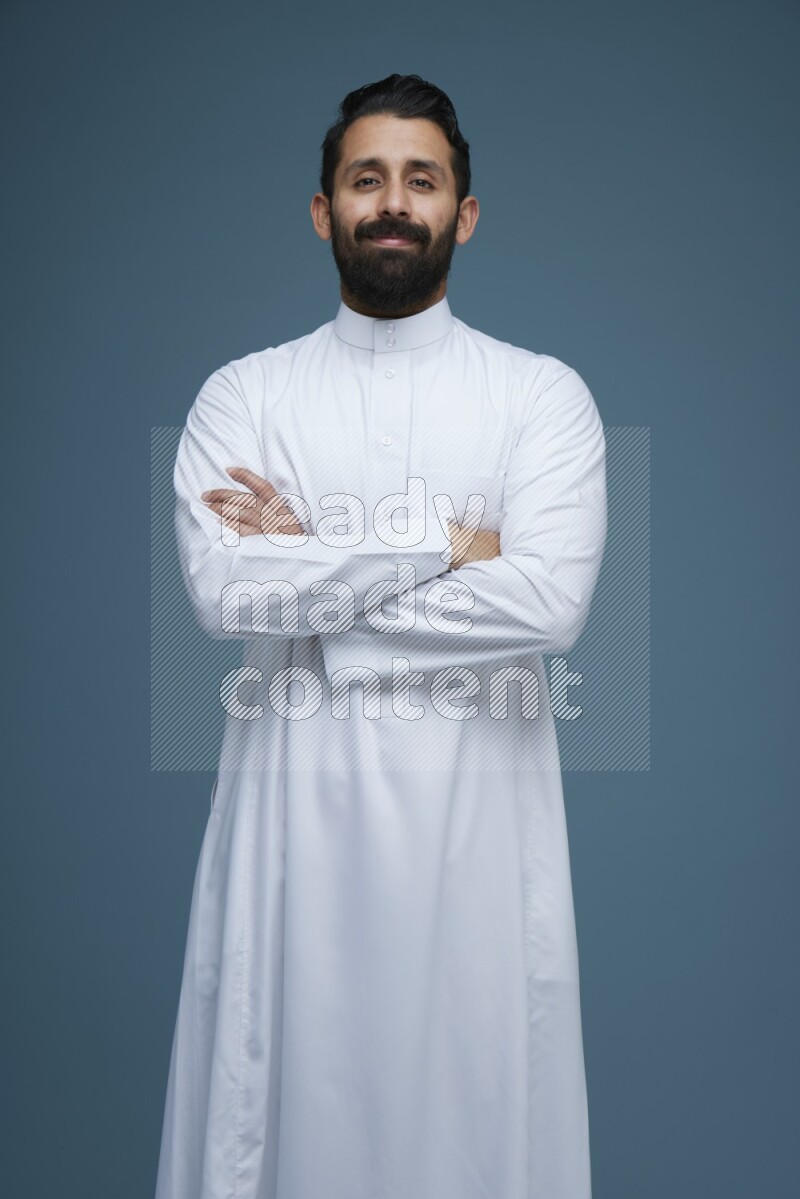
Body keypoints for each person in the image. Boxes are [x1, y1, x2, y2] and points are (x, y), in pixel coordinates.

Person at [154, 73, 607, 1199]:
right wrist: (447, 540)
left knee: (478, 1122)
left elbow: (548, 604)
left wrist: (313, 560)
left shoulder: (540, 397)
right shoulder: (242, 396)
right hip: (289, 842)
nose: (392, 202)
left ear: (464, 212)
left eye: (421, 179)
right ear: (323, 210)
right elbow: (227, 596)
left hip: (480, 846)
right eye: (366, 179)